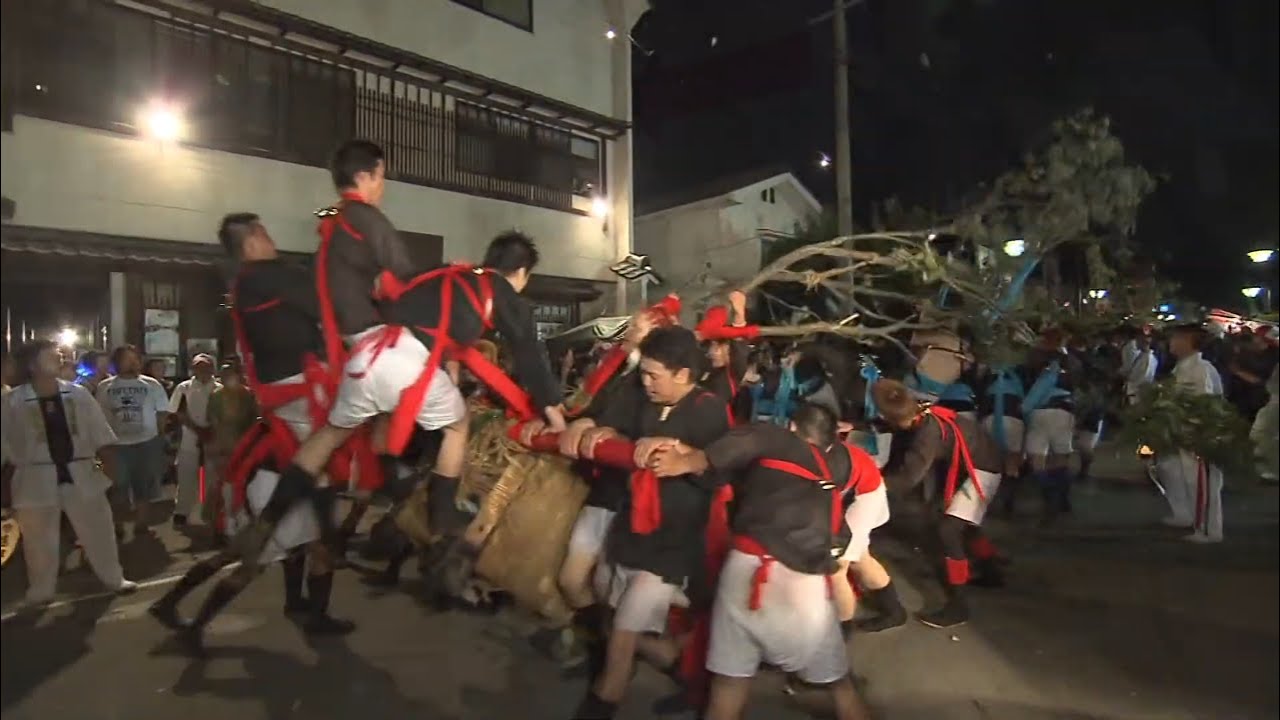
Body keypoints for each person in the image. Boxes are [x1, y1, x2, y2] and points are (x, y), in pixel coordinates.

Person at [270, 143, 565, 595]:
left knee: (330, 434)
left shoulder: (341, 230)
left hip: (362, 355)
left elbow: (409, 300)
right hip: (394, 353)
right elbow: (529, 352)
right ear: (520, 272)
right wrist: (554, 413)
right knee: (457, 426)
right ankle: (441, 515)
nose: (382, 185)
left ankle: (279, 508)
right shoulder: (369, 220)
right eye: (381, 176)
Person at [149, 213, 361, 652]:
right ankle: (195, 626)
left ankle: (297, 606)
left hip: (283, 435)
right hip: (286, 447)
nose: (271, 237)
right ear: (250, 243)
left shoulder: (250, 284)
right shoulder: (267, 278)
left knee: (290, 544)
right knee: (258, 554)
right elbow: (328, 303)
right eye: (264, 232)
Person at [647, 402, 873, 720]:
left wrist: (684, 461)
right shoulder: (826, 476)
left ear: (793, 427)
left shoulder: (779, 440)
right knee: (839, 688)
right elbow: (839, 538)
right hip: (803, 588)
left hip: (744, 573)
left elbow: (741, 444)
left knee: (728, 687)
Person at [571, 326, 732, 720]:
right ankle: (683, 670)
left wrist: (683, 455)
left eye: (653, 375)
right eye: (643, 373)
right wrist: (604, 430)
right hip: (631, 528)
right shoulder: (645, 399)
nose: (645, 382)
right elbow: (613, 425)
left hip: (670, 546)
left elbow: (722, 468)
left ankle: (602, 702)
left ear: (682, 375)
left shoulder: (708, 408)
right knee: (615, 617)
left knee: (623, 635)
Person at [0, 340, 137, 608]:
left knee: (99, 529)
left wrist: (105, 472)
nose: (59, 356)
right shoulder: (12, 402)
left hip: (83, 470)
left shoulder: (78, 395)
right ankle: (41, 589)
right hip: (34, 477)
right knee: (38, 540)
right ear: (32, 364)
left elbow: (102, 438)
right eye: (51, 354)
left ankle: (113, 577)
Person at [874, 378, 1005, 628]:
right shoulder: (921, 411)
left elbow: (909, 477)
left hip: (984, 469)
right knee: (964, 524)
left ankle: (959, 605)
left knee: (949, 530)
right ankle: (992, 573)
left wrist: (872, 483)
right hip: (976, 463)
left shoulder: (926, 432)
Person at [1156, 324, 1226, 543]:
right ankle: (1184, 514)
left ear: (1189, 341)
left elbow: (1204, 405)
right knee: (1170, 469)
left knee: (1201, 481)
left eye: (1176, 339)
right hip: (1180, 430)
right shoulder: (1183, 367)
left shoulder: (1200, 368)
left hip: (1197, 434)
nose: (1171, 343)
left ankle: (1208, 529)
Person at [95, 344, 170, 541]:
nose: (132, 362)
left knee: (143, 485)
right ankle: (117, 524)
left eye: (135, 358)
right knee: (117, 486)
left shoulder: (152, 385)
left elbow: (162, 413)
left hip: (146, 443)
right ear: (117, 362)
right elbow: (100, 416)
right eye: (127, 358)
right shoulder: (105, 387)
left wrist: (159, 437)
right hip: (116, 445)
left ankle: (141, 524)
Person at [1021, 330, 1080, 522]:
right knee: (1061, 458)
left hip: (1040, 412)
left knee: (1037, 461)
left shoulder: (1041, 363)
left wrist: (1024, 408)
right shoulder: (1072, 363)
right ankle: (1062, 500)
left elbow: (1035, 388)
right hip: (1065, 412)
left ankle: (1049, 500)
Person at [205, 363, 258, 538]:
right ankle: (218, 524)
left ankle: (240, 520)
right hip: (222, 447)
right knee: (218, 486)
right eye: (226, 374)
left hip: (243, 447)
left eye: (232, 374)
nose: (229, 378)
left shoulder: (248, 395)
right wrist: (221, 444)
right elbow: (214, 422)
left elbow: (253, 422)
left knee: (241, 484)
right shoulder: (216, 396)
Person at [168, 353, 222, 526]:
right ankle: (182, 511)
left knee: (211, 477)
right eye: (198, 366)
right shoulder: (183, 388)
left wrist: (211, 432)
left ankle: (209, 512)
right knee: (186, 475)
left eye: (206, 366)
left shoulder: (220, 389)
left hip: (214, 438)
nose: (202, 370)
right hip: (189, 438)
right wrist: (197, 430)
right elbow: (177, 412)